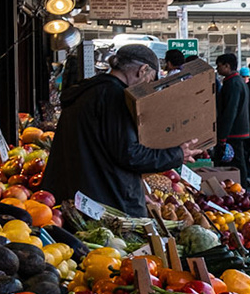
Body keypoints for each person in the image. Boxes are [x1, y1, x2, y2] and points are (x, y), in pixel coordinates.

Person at [43, 43, 209, 215]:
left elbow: (103, 149)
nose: (147, 88)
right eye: (150, 80)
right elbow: (129, 154)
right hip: (104, 206)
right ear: (142, 70)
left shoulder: (88, 92)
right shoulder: (115, 98)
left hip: (77, 195)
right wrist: (176, 154)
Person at [213, 53, 250, 168]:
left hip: (234, 131)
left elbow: (230, 111)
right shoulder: (237, 81)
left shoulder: (233, 83)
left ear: (227, 66)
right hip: (238, 129)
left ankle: (241, 185)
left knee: (237, 163)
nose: (217, 69)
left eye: (219, 66)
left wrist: (223, 136)